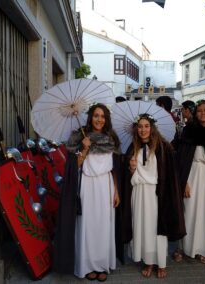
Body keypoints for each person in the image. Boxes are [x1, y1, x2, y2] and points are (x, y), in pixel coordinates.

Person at [53, 103, 121, 281]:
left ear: (106, 119)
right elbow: (73, 167)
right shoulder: (79, 137)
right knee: (87, 226)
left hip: (105, 186)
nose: (99, 119)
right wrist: (84, 149)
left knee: (103, 226)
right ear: (91, 117)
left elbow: (115, 169)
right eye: (96, 115)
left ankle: (102, 265)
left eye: (103, 116)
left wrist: (116, 191)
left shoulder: (111, 137)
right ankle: (87, 265)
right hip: (87, 186)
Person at [122, 113, 186, 279]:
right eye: (140, 127)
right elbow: (127, 175)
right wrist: (130, 167)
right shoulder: (132, 147)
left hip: (156, 194)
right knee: (142, 227)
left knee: (157, 227)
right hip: (138, 193)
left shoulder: (163, 147)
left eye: (146, 126)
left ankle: (161, 263)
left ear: (152, 128)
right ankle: (148, 261)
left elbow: (169, 173)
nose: (143, 130)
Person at [174, 100, 205, 264]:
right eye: (199, 110)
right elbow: (182, 158)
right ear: (195, 113)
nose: (202, 113)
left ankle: (203, 250)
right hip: (192, 174)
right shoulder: (189, 130)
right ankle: (182, 247)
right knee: (189, 211)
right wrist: (184, 181)